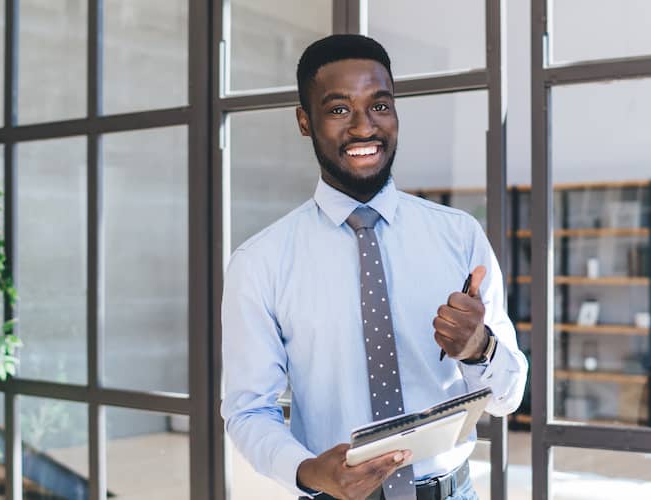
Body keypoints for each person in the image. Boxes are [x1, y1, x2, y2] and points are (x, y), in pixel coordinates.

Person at [220, 34, 528, 500]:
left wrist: (480, 348)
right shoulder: (260, 263)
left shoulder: (459, 236)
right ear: (305, 121)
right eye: (339, 109)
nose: (364, 127)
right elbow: (247, 411)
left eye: (380, 105)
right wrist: (308, 471)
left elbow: (508, 397)